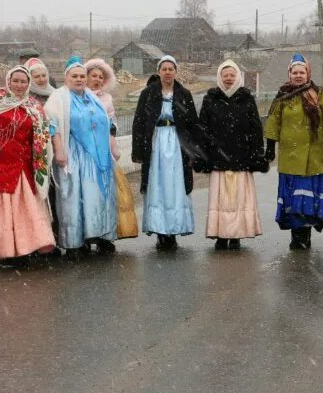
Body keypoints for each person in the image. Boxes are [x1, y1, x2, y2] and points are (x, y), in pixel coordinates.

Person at [0, 66, 55, 268]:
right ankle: (6, 252)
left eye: (23, 81)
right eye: (15, 81)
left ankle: (27, 247)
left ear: (28, 84)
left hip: (24, 166)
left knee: (25, 210)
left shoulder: (34, 106)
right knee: (2, 212)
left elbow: (42, 135)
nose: (19, 85)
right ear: (8, 82)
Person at [44, 57, 117, 258]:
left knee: (96, 198)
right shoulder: (58, 98)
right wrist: (59, 150)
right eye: (74, 76)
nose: (79, 79)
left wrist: (111, 147)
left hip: (96, 157)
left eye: (82, 76)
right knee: (73, 198)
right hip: (73, 155)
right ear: (66, 77)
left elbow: (107, 122)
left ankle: (98, 235)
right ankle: (74, 242)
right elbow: (53, 126)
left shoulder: (93, 97)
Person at [263, 54, 323, 250]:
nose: (298, 75)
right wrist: (270, 147)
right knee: (294, 199)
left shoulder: (318, 94)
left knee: (307, 200)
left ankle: (304, 235)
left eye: (301, 72)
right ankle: (299, 235)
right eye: (294, 72)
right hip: (290, 157)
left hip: (313, 158)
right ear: (289, 74)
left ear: (308, 73)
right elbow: (273, 122)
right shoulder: (282, 96)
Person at [132, 55, 204, 251]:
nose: (167, 72)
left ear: (175, 72)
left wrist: (193, 150)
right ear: (158, 71)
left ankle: (173, 230)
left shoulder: (184, 94)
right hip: (156, 142)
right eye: (163, 69)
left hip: (177, 144)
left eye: (170, 69)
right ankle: (159, 230)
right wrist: (138, 150)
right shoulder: (148, 94)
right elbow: (138, 122)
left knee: (175, 187)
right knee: (157, 186)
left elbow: (192, 124)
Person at [194, 60, 266, 249]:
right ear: (220, 77)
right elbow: (202, 128)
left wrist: (257, 153)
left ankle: (236, 235)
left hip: (241, 156)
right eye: (225, 75)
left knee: (238, 199)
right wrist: (202, 154)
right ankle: (220, 234)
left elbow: (255, 128)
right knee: (221, 200)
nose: (228, 78)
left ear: (238, 77)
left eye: (232, 75)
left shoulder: (246, 98)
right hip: (217, 157)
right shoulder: (211, 98)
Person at [86, 57, 138, 240]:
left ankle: (106, 234)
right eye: (94, 75)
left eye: (101, 77)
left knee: (106, 193)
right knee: (88, 194)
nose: (97, 79)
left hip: (104, 150)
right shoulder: (79, 96)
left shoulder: (107, 98)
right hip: (85, 150)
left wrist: (112, 127)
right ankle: (88, 234)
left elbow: (111, 119)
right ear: (86, 77)